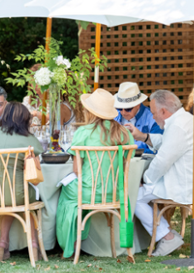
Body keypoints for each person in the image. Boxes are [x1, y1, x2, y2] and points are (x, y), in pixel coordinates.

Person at [56, 89, 136, 258]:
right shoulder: (124, 132)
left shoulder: (83, 133)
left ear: (90, 111)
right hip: (115, 192)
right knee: (79, 189)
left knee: (65, 192)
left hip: (88, 192)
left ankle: (69, 245)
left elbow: (77, 171)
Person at [135, 90, 194, 256]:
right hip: (190, 179)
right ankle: (167, 234)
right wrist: (143, 136)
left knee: (135, 196)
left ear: (163, 111)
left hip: (183, 184)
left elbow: (162, 161)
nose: (152, 117)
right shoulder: (184, 119)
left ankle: (167, 237)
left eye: (153, 113)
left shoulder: (178, 127)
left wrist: (144, 180)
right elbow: (166, 143)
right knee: (141, 193)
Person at [0, 102, 44, 261]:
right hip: (19, 195)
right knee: (21, 194)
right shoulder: (29, 140)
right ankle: (33, 245)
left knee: (9, 193)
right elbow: (36, 176)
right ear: (25, 120)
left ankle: (2, 244)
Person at [114, 82, 163, 155]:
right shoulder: (113, 116)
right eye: (119, 108)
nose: (123, 112)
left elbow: (158, 148)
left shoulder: (154, 118)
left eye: (128, 109)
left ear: (138, 105)